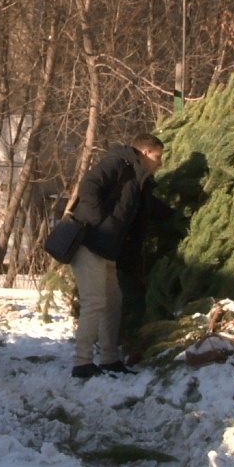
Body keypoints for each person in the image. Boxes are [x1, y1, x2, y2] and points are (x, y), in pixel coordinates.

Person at [69, 132, 165, 378]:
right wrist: (100, 223)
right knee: (94, 302)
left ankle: (109, 359)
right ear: (146, 152)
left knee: (113, 302)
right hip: (89, 242)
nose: (161, 162)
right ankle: (82, 363)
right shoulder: (117, 163)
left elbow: (147, 209)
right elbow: (89, 185)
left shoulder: (139, 177)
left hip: (108, 247)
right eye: (159, 155)